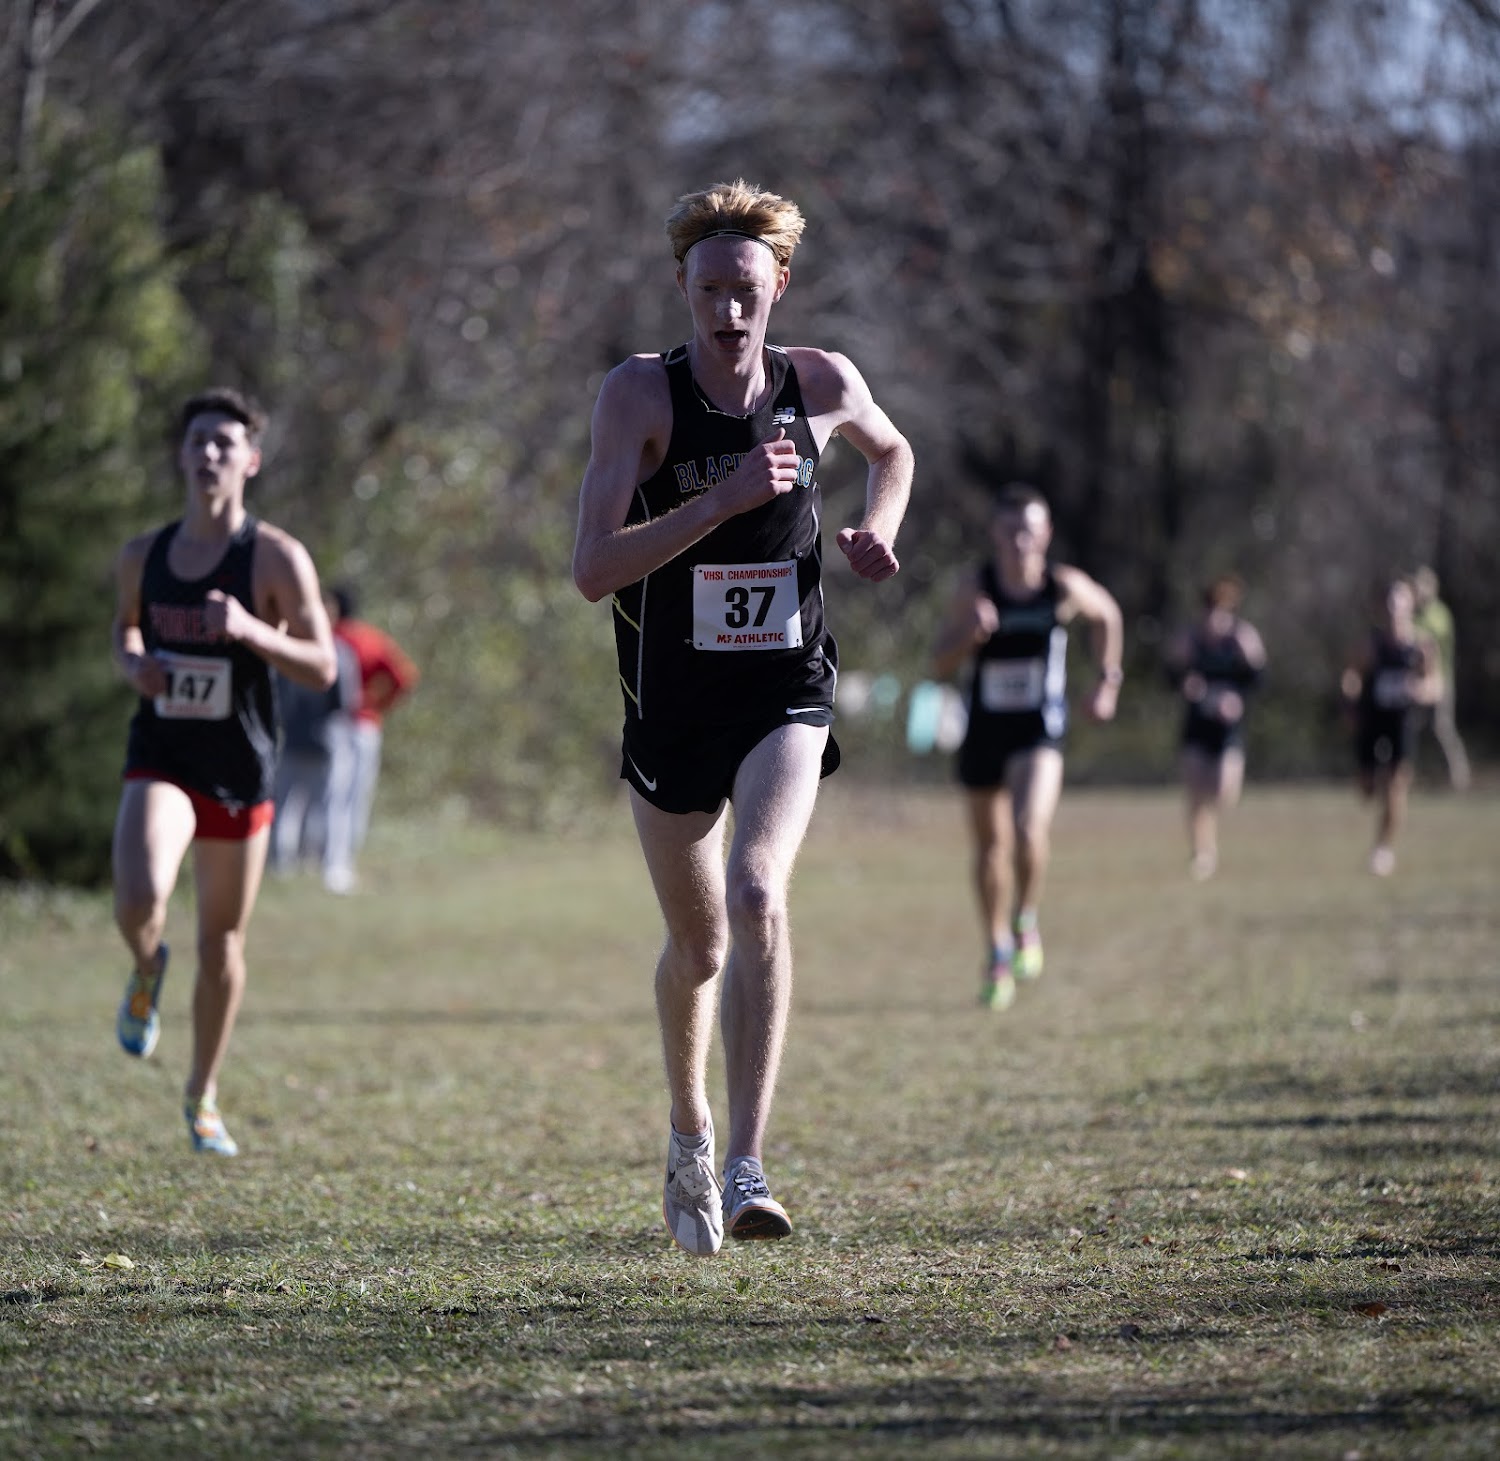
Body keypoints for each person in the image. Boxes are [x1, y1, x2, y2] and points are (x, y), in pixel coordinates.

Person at [572, 179, 913, 1257]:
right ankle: (690, 1129)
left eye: (746, 290)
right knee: (701, 945)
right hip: (671, 702)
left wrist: (877, 525)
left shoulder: (822, 381)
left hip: (784, 687)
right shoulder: (640, 395)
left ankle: (750, 1164)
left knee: (759, 887)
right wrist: (717, 501)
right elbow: (592, 568)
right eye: (709, 289)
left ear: (780, 287)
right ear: (682, 286)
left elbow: (892, 452)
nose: (728, 310)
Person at [112, 388, 337, 1154]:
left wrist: (247, 628)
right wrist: (133, 664)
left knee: (221, 945)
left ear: (251, 460)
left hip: (240, 768)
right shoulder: (143, 556)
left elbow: (322, 665)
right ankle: (147, 964)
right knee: (138, 894)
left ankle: (201, 1094)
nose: (210, 452)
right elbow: (125, 630)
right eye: (198, 440)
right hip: (163, 757)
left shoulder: (274, 557)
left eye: (225, 442)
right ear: (181, 455)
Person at [930, 485, 1123, 1011]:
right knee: (990, 849)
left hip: (1039, 730)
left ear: (1046, 534)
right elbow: (938, 663)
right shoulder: (975, 587)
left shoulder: (1062, 586)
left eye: (1029, 531)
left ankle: (1025, 918)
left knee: (1028, 827)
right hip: (983, 731)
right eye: (1011, 531)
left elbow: (1108, 615)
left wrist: (1107, 680)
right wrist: (969, 636)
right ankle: (996, 949)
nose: (1020, 541)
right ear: (995, 533)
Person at [1164, 575, 1268, 881]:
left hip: (1228, 728)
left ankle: (1208, 841)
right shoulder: (1190, 638)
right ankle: (1202, 852)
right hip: (1197, 724)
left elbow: (1259, 680)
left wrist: (1238, 699)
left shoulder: (1242, 638)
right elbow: (1169, 676)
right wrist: (1185, 683)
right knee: (1195, 792)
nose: (1214, 617)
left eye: (1222, 611)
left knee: (1223, 791)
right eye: (1210, 610)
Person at [1341, 576, 1442, 877]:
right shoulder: (1371, 645)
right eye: (1388, 602)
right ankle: (1371, 783)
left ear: (1410, 604)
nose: (1393, 608)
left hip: (1402, 722)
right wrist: (1349, 704)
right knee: (1367, 788)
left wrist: (1420, 690)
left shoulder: (1422, 646)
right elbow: (1351, 676)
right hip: (1372, 720)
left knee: (1396, 786)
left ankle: (1383, 850)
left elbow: (1436, 685)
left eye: (1399, 601)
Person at [323, 585, 419, 894]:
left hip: (335, 726)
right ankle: (341, 862)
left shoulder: (329, 637)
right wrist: (379, 705)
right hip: (365, 727)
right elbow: (403, 678)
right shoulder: (371, 638)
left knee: (335, 796)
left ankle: (332, 863)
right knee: (354, 797)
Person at [269, 603, 360, 876]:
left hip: (293, 739)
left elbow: (276, 702)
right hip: (328, 741)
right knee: (332, 806)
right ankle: (332, 866)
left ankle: (280, 864)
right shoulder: (338, 652)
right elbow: (346, 702)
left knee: (285, 806)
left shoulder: (287, 653)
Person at [1410, 565, 1471, 791]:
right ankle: (1406, 773)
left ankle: (1459, 775)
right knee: (1410, 726)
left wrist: (1414, 635)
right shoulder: (1414, 615)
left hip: (1441, 679)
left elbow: (1432, 639)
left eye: (1421, 586)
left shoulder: (1440, 613)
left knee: (1442, 727)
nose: (1418, 591)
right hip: (1417, 682)